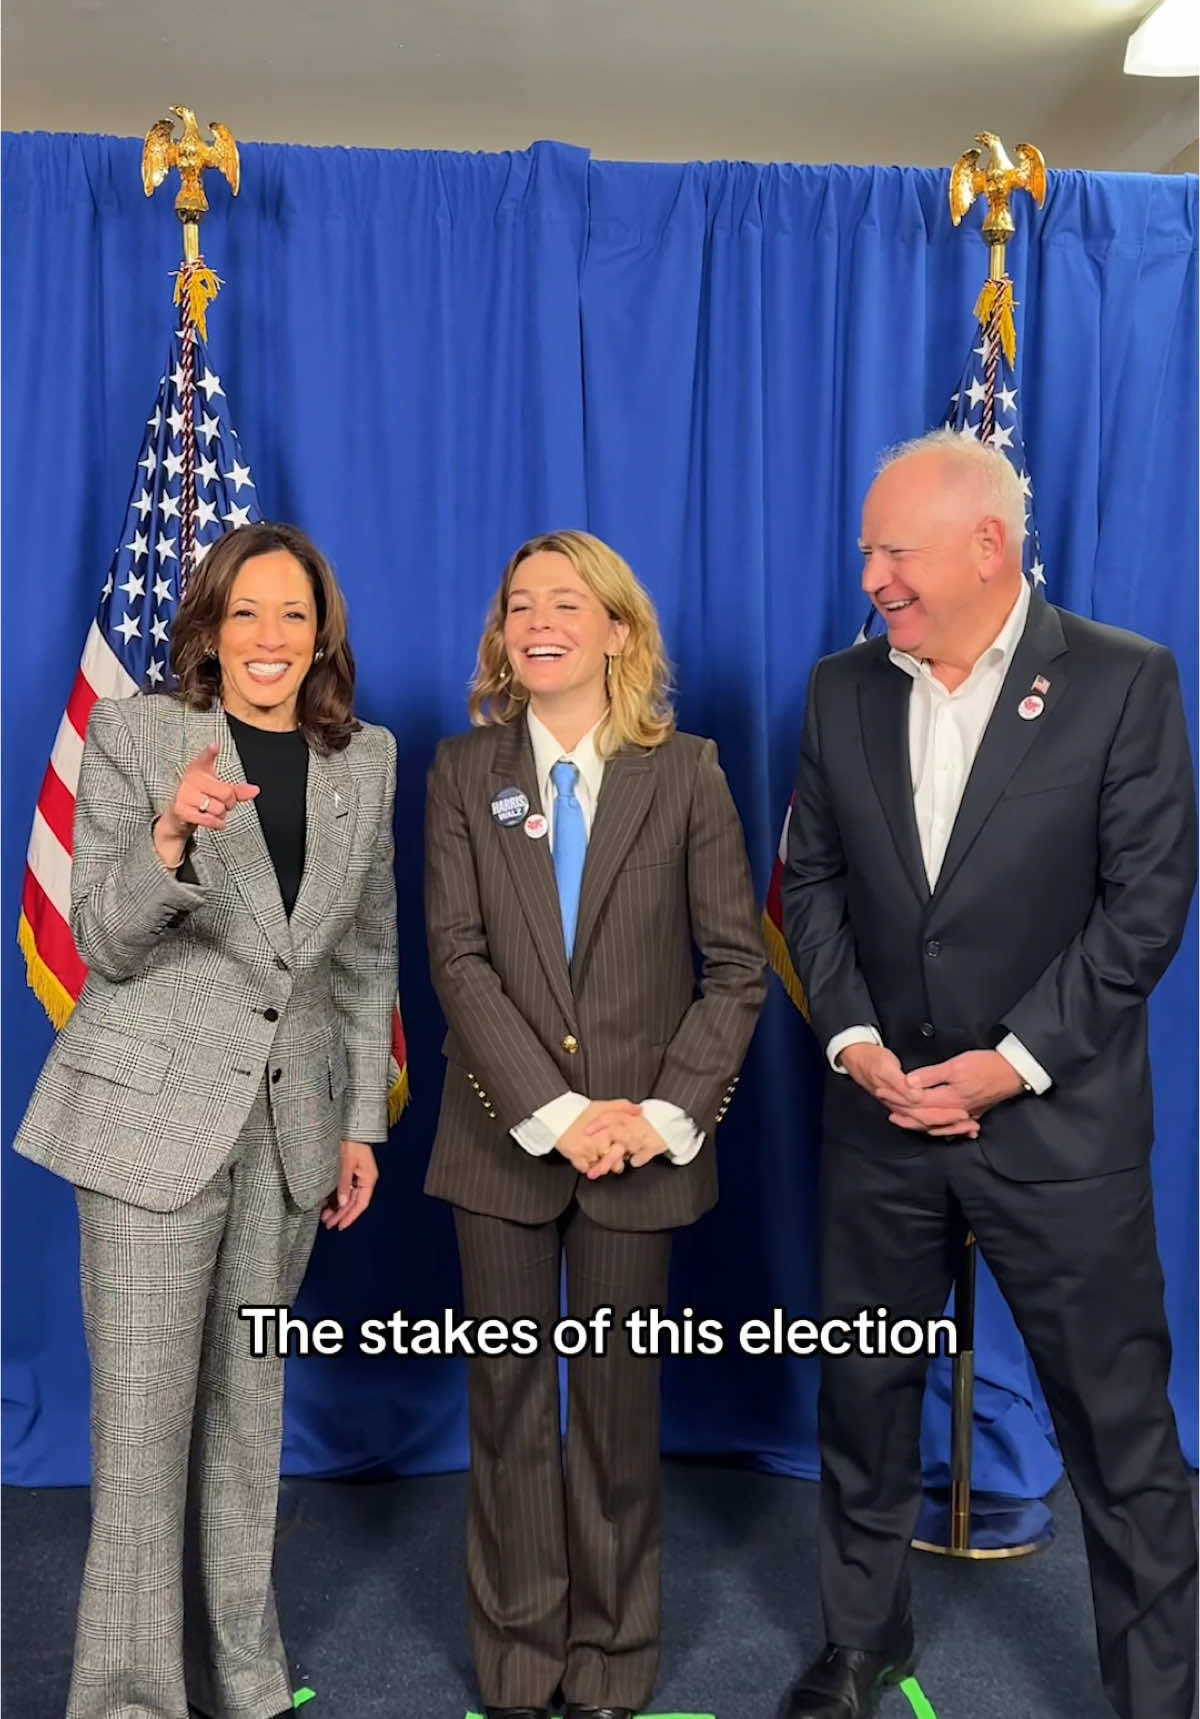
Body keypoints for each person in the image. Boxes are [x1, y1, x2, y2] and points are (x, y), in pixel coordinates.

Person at [778, 430, 1198, 1719]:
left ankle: (1156, 1692)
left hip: (1055, 1131)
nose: (873, 575)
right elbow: (815, 884)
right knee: (865, 1394)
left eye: (892, 550)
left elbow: (1145, 908)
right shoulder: (842, 688)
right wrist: (854, 1046)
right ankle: (863, 1646)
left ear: (987, 547)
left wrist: (1009, 1066)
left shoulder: (1125, 682)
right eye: (867, 550)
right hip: (883, 1123)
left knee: (1121, 1436)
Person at [15, 521, 399, 1719]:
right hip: (146, 1132)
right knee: (140, 1435)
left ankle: (243, 1677)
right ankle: (129, 1699)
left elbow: (363, 952)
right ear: (210, 630)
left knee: (248, 1423)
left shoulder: (366, 759)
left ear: (320, 634)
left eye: (291, 616)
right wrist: (171, 836)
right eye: (245, 615)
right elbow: (105, 939)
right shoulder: (138, 736)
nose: (269, 639)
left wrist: (359, 1127)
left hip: (290, 1135)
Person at [424, 528, 766, 1719]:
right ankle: (521, 1668)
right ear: (502, 636)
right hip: (504, 1144)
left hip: (642, 1148)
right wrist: (558, 1113)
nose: (539, 620)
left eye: (566, 601)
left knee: (616, 1411)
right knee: (511, 1409)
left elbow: (735, 970)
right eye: (520, 603)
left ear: (619, 629)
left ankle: (614, 1663)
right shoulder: (464, 775)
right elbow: (458, 963)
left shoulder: (691, 774)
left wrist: (657, 1116)